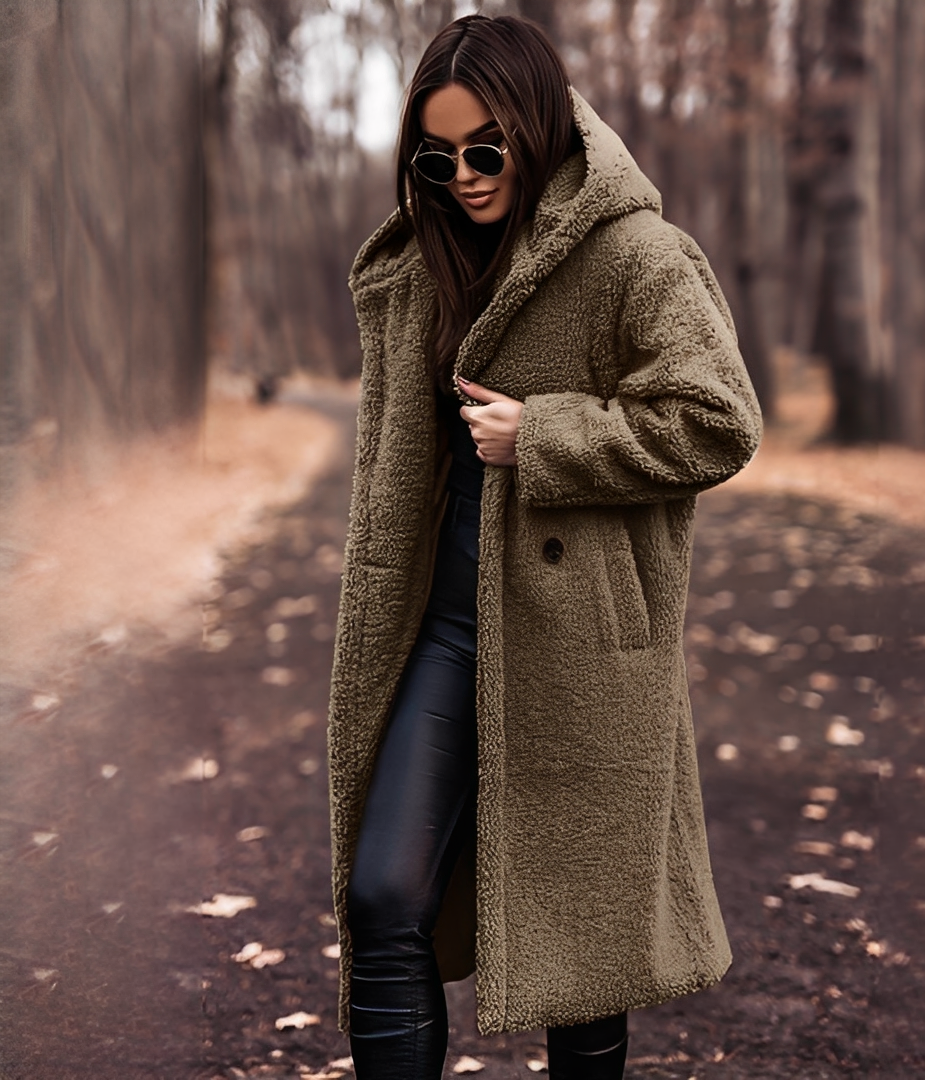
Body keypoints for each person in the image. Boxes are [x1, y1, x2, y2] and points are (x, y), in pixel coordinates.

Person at [326, 14, 762, 1080]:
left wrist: (548, 435)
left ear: (536, 127)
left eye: (487, 151)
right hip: (442, 630)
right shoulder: (420, 266)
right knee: (383, 897)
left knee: (587, 953)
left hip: (581, 644)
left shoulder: (636, 254)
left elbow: (720, 421)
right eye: (437, 159)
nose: (465, 178)